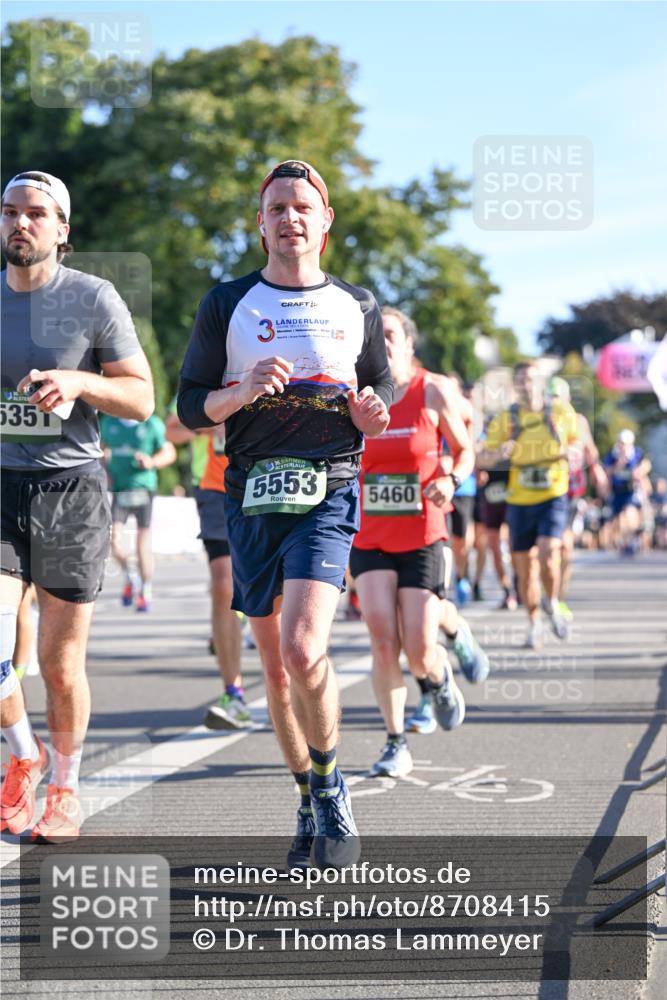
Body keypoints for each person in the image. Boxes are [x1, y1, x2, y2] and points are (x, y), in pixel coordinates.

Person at [177, 160, 392, 868]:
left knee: (304, 650)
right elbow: (189, 406)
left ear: (324, 221)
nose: (289, 218)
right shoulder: (227, 302)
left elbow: (380, 391)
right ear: (260, 223)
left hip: (328, 489)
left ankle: (330, 786)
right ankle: (305, 793)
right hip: (250, 495)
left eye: (302, 206)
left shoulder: (357, 304)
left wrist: (372, 413)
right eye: (276, 208)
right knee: (274, 669)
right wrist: (239, 392)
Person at [1, 170, 153, 840]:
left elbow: (142, 397)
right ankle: (23, 755)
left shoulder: (92, 297)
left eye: (36, 213)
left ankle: (64, 787)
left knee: (60, 666)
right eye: (9, 210)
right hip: (0, 485)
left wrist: (77, 381)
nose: (19, 222)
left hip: (70, 492)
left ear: (62, 229)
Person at [349, 308, 473, 776]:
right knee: (384, 643)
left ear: (408, 344)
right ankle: (395, 741)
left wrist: (451, 478)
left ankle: (438, 679)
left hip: (423, 533)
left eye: (389, 333)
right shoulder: (353, 395)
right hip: (370, 535)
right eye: (373, 335)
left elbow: (464, 449)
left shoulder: (432, 390)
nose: (380, 341)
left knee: (420, 650)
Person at [479, 362, 579, 650]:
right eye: (521, 380)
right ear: (515, 386)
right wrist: (498, 453)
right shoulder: (506, 419)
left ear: (541, 383)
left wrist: (572, 452)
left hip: (553, 494)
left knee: (549, 552)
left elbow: (577, 444)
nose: (526, 385)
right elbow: (482, 457)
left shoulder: (560, 412)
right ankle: (534, 623)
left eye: (531, 380)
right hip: (520, 499)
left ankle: (553, 601)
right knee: (525, 569)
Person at [165, 415, 250, 729]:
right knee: (223, 586)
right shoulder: (207, 382)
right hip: (217, 490)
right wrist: (207, 424)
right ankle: (233, 694)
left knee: (274, 592)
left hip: (271, 485)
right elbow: (172, 430)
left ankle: (292, 689)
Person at [544, 376, 608, 618]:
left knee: (565, 547)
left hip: (570, 489)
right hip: (544, 489)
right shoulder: (538, 420)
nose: (555, 402)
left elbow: (590, 451)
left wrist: (596, 468)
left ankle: (558, 599)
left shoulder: (578, 421)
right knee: (547, 546)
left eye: (558, 397)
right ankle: (545, 589)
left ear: (568, 398)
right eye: (551, 397)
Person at [101, 413, 176, 611]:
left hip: (143, 488)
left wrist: (151, 462)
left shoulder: (152, 424)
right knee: (113, 542)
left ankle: (145, 589)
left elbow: (169, 452)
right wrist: (105, 470)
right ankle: (131, 576)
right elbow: (101, 450)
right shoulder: (109, 422)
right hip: (120, 489)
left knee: (142, 544)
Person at [603, 430, 651, 555]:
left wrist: (639, 471)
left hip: (631, 491)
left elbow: (646, 465)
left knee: (629, 515)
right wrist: (618, 464)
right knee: (620, 520)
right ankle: (626, 541)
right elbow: (606, 471)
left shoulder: (636, 453)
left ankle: (632, 540)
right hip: (617, 491)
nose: (623, 446)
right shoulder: (613, 455)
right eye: (621, 443)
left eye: (625, 443)